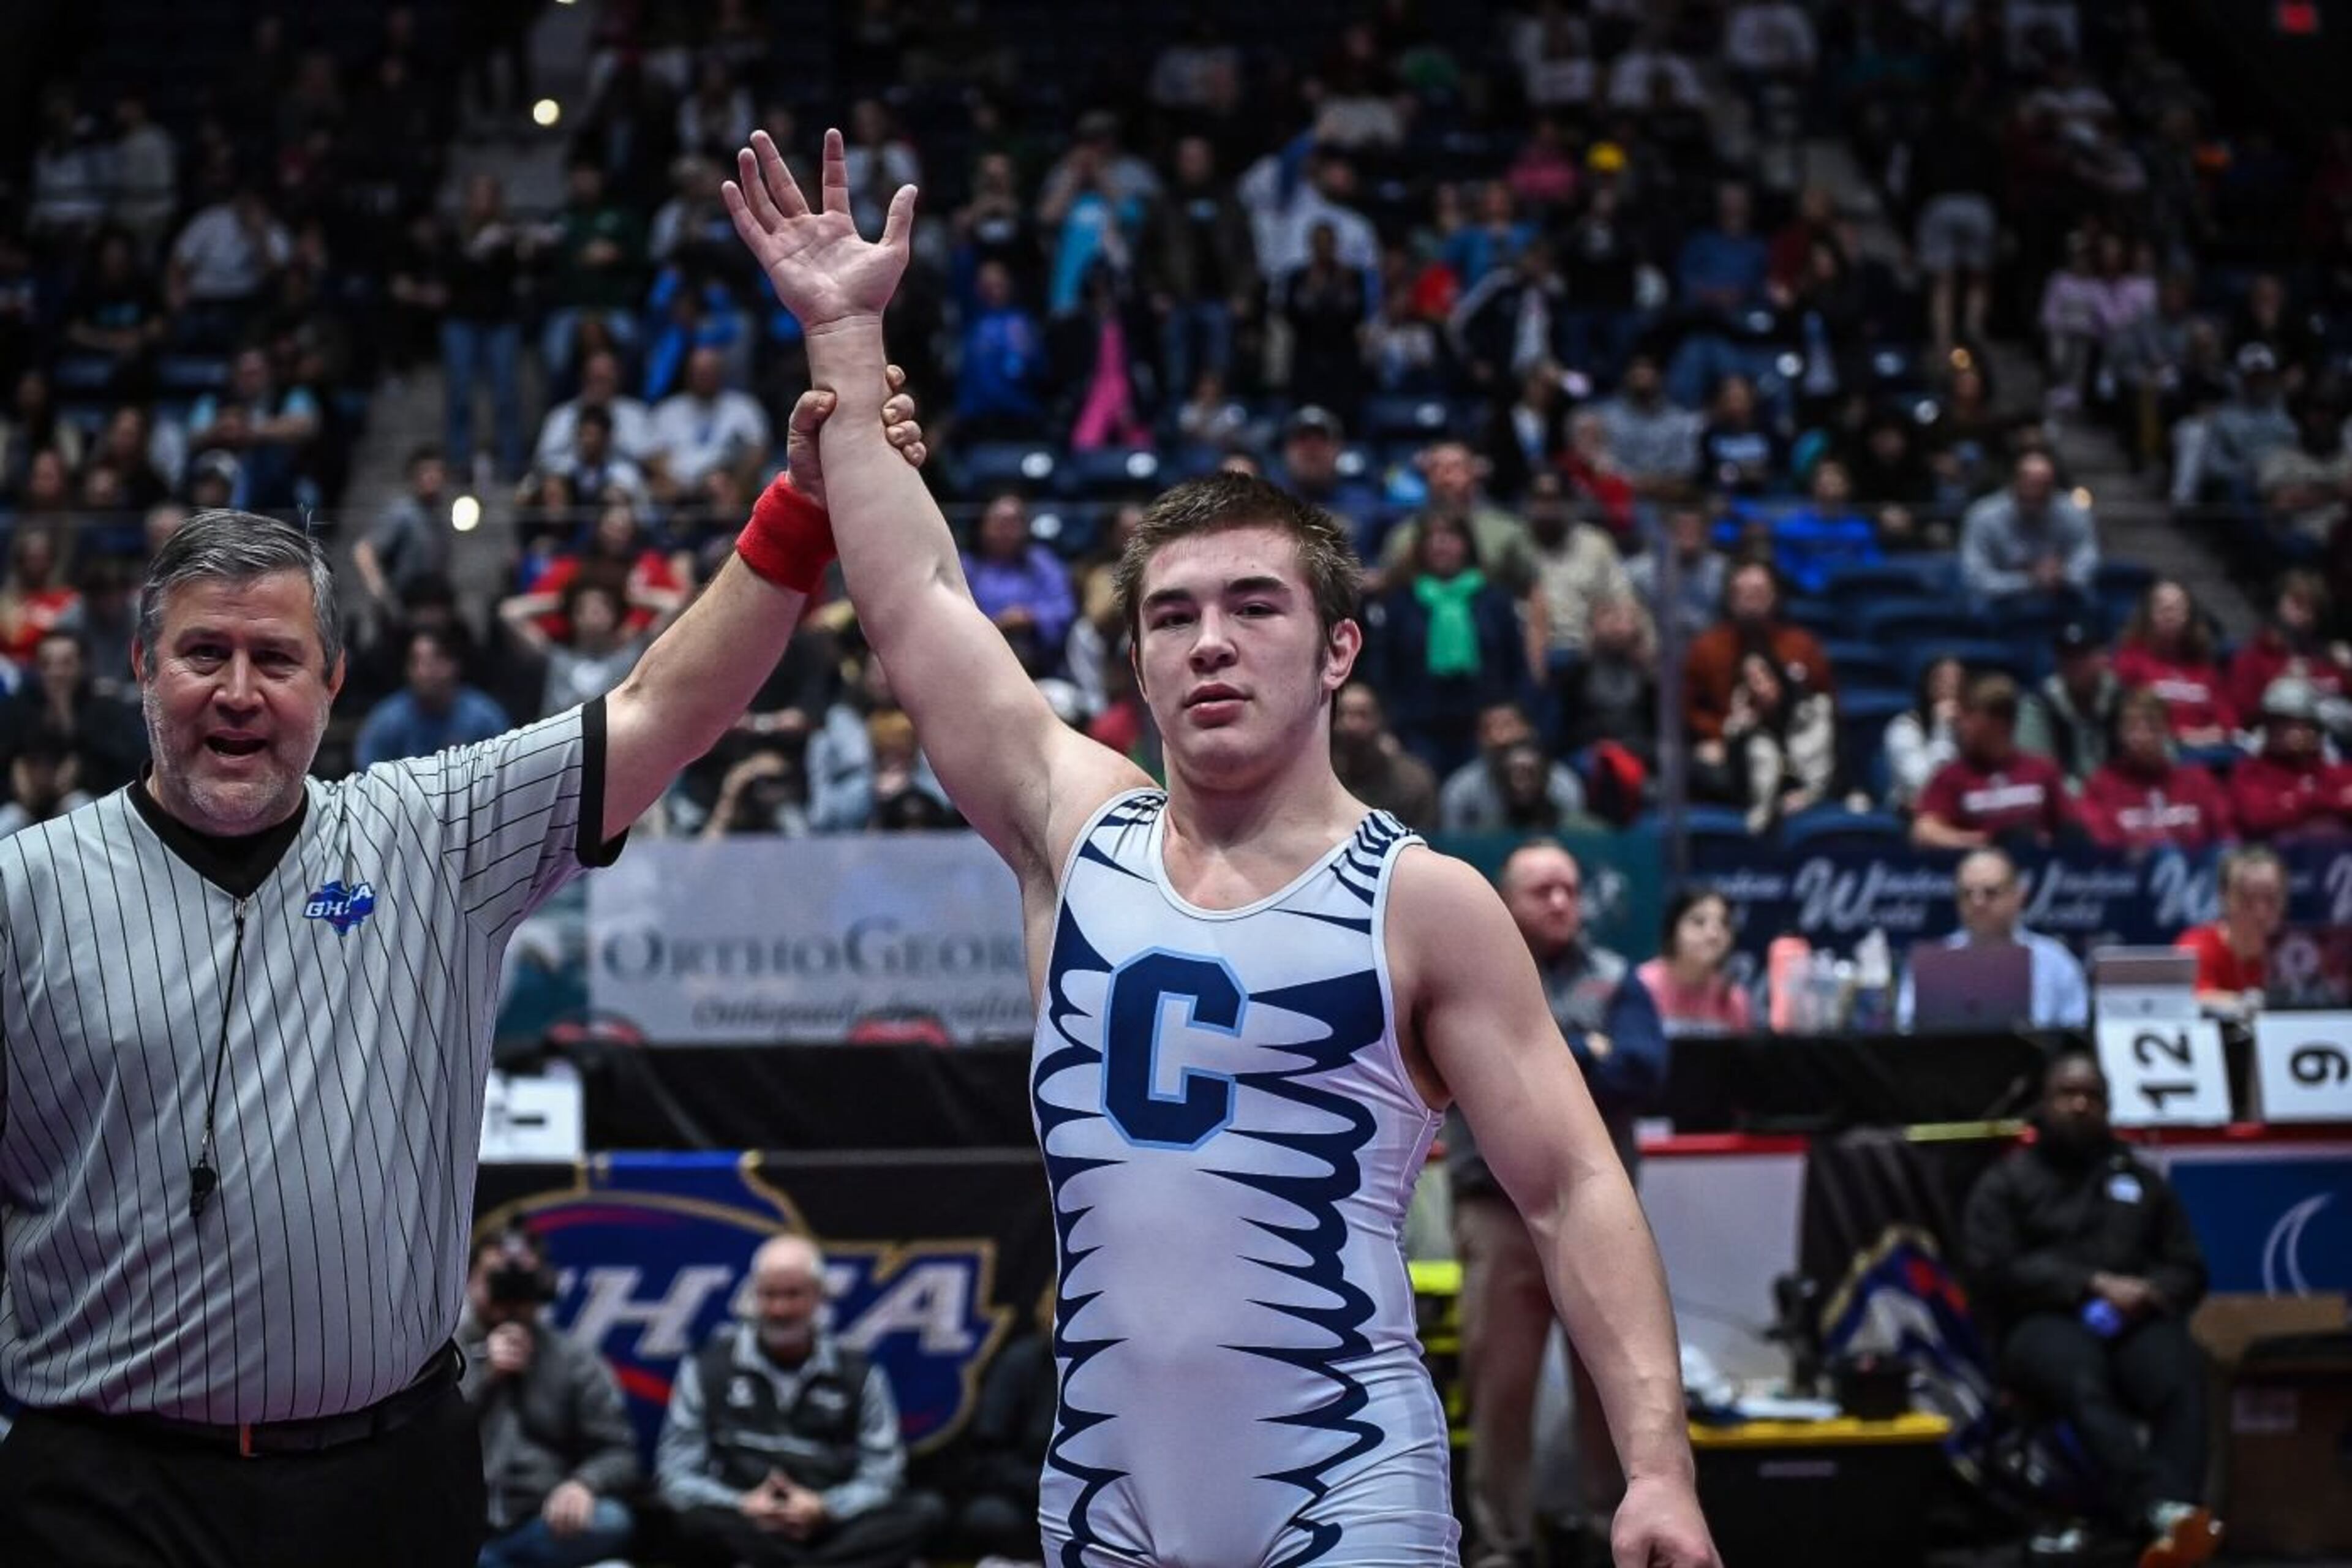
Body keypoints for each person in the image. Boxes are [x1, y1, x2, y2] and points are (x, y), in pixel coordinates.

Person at [726, 128, 1717, 1568]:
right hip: (1106, 1497)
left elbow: (1571, 1186)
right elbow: (922, 600)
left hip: (1341, 1487)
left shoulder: (1421, 901)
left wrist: (1659, 1468)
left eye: (1255, 605)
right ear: (1133, 657)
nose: (1209, 641)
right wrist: (845, 331)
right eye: (1173, 614)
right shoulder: (1075, 832)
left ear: (1338, 650)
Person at [0, 365, 927, 1564]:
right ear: (140, 667)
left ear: (334, 682)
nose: (237, 692)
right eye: (202, 653)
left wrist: (800, 509)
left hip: (383, 1485)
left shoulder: (433, 832)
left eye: (275, 658)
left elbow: (664, 708)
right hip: (103, 1489)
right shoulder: (25, 891)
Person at [1446, 843, 1668, 1568]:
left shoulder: (1615, 978)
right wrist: (1587, 1051)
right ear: (1507, 899)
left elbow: (1646, 1068)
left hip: (1596, 1217)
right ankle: (1502, 1542)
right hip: (1497, 1210)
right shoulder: (1468, 971)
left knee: (1613, 1385)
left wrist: (1552, 1056)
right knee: (1499, 1386)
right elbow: (1472, 1074)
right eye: (1542, 891)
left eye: (1570, 889)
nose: (1562, 902)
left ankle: (1617, 1534)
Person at [1961, 1053, 2223, 1568]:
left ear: (2108, 1106)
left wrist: (2149, 1293)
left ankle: (2176, 1524)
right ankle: (2153, 1509)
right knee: (2080, 1376)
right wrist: (2088, 1285)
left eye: (2092, 1095)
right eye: (2067, 1094)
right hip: (2041, 1322)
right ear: (2044, 1103)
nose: (2080, 1105)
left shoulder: (2140, 1181)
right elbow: (1991, 1268)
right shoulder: (2009, 1182)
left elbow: (2188, 1268)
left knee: (2178, 1369)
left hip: (2132, 1320)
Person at [656, 1234, 944, 1567]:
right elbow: (676, 1474)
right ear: (753, 1296)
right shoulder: (708, 1368)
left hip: (830, 1523)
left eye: (793, 1295)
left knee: (925, 1511)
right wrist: (743, 1503)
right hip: (747, 1522)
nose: (780, 1309)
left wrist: (825, 1507)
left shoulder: (858, 1373)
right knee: (689, 1521)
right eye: (769, 1295)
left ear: (819, 1297)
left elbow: (883, 1475)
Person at [458, 1226, 640, 1568]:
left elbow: (619, 1451)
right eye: (498, 1279)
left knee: (612, 1521)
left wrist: (584, 1484)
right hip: (460, 1522)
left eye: (523, 1281)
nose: (511, 1292)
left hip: (542, 1523)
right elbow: (419, 1440)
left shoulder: (573, 1358)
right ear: (469, 1282)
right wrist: (484, 1377)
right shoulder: (443, 1355)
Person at [1897, 849, 2089, 1030]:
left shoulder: (2055, 961)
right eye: (1967, 894)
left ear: (2018, 895)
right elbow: (1907, 1030)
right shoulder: (1930, 966)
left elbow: (2076, 1033)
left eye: (1991, 892)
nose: (1978, 902)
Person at [1913, 673, 2080, 850]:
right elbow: (1925, 831)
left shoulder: (2042, 770)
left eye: (1969, 716)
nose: (1961, 726)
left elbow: (2071, 825)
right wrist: (1984, 843)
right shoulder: (1952, 776)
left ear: (1999, 722)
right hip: (1978, 862)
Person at [2078, 688, 2234, 853]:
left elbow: (2227, 841)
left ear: (2167, 730)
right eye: (2132, 728)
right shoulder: (2102, 787)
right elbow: (2102, 849)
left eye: (2152, 727)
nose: (2142, 737)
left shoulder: (2198, 782)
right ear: (2120, 733)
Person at [355, 625, 514, 768]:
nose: (423, 672)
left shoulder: (484, 717)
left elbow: (505, 770)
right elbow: (369, 776)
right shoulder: (387, 720)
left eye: (434, 661)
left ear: (455, 664)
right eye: (415, 662)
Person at [2175, 845, 2285, 1009]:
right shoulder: (2197, 948)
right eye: (2247, 899)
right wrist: (2248, 1003)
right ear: (2224, 898)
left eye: (2271, 898)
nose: (2260, 912)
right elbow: (2191, 1000)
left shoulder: (2297, 948)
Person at [1635, 888, 1751, 1035]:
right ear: (1673, 929)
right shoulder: (1640, 987)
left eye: (1724, 924)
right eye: (1699, 922)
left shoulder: (1734, 999)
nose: (1713, 935)